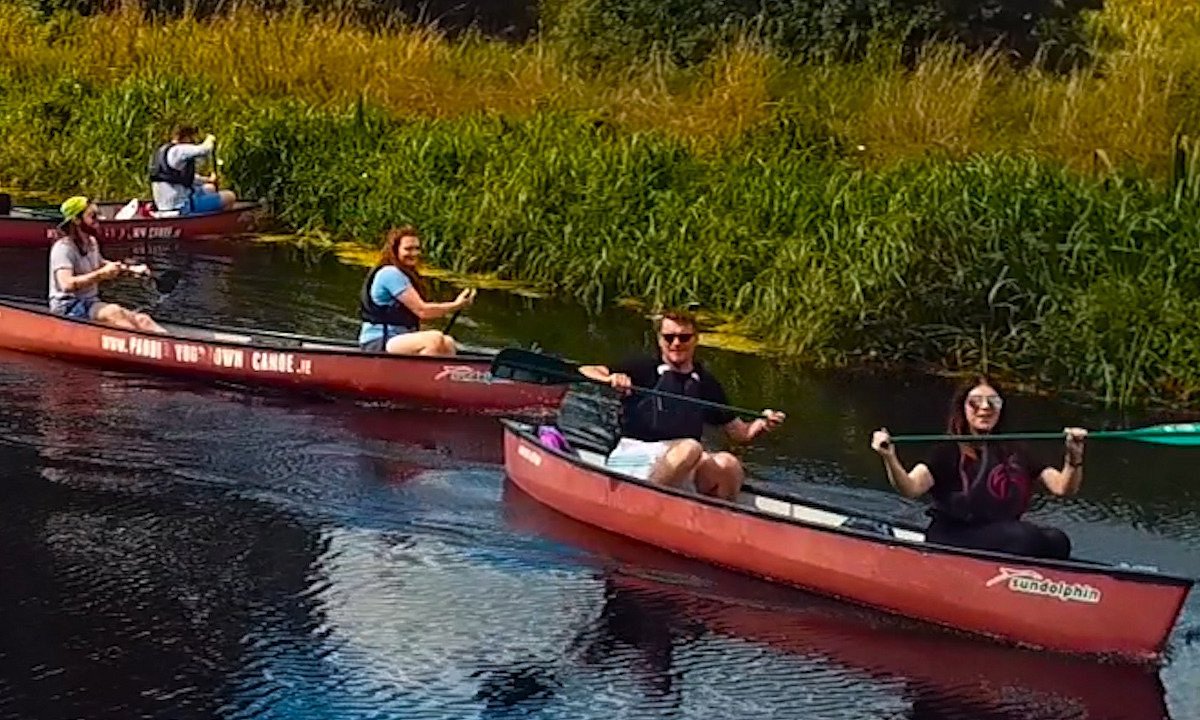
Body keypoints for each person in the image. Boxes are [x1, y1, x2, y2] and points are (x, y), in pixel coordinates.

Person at [870, 376, 1086, 559]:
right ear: (963, 408)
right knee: (1024, 536)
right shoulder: (948, 451)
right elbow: (911, 487)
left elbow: (1062, 488)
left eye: (993, 402)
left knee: (1058, 541)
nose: (985, 408)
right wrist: (889, 457)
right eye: (975, 402)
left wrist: (1073, 457)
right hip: (953, 535)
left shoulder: (1016, 450)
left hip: (1002, 534)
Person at [579, 310, 785, 500]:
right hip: (635, 457)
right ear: (660, 340)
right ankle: (637, 504)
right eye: (669, 337)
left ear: (696, 340)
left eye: (684, 337)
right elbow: (586, 370)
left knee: (728, 465)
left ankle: (711, 524)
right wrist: (611, 379)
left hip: (684, 463)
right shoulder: (642, 367)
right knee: (691, 447)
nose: (676, 343)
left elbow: (740, 433)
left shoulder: (706, 383)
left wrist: (762, 424)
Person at [48, 196, 166, 333]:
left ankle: (170, 346)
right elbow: (66, 284)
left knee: (143, 319)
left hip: (91, 302)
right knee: (114, 312)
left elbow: (100, 263)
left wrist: (130, 269)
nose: (99, 219)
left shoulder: (91, 242)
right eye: (93, 216)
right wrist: (101, 275)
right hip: (67, 307)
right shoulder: (64, 248)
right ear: (76, 220)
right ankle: (133, 348)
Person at [357, 226, 476, 355]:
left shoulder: (407, 274)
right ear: (395, 250)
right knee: (434, 339)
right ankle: (423, 374)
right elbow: (422, 311)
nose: (414, 253)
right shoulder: (390, 273)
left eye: (417, 249)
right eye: (408, 249)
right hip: (379, 340)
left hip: (400, 339)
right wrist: (456, 305)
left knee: (448, 342)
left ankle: (441, 373)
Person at [148, 123, 237, 215]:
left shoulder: (164, 151)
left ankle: (206, 215)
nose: (193, 142)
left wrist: (208, 180)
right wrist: (210, 138)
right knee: (230, 196)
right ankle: (214, 223)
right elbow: (205, 149)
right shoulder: (179, 150)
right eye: (192, 138)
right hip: (182, 206)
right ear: (186, 137)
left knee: (210, 188)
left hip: (164, 205)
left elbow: (182, 178)